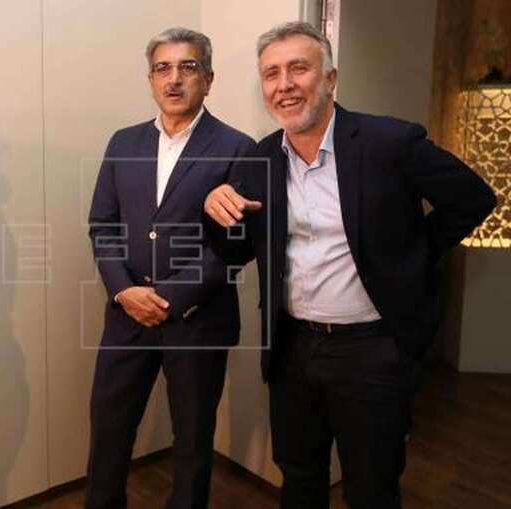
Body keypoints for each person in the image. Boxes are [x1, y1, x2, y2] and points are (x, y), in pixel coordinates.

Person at [204, 22, 496, 508]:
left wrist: (412, 254)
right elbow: (237, 251)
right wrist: (216, 209)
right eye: (271, 73)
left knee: (372, 485)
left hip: (372, 352)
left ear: (331, 79)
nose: (284, 84)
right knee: (298, 476)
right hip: (293, 349)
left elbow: (473, 198)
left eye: (299, 68)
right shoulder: (260, 159)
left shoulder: (389, 142)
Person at [86, 27, 255, 509]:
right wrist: (123, 292)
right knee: (108, 433)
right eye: (163, 68)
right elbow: (103, 224)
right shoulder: (124, 142)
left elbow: (236, 246)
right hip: (126, 316)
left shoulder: (237, 146)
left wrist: (169, 300)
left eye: (188, 67)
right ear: (150, 79)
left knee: (192, 441)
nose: (174, 79)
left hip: (198, 320)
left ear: (208, 78)